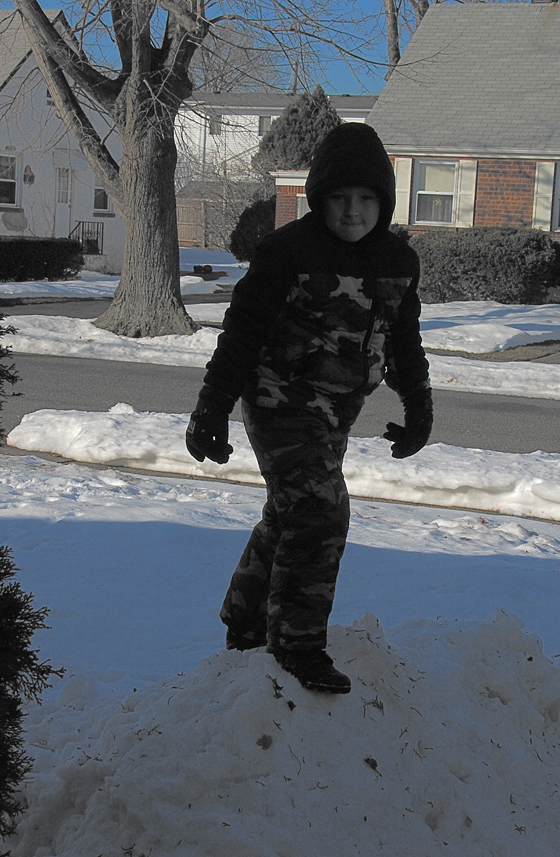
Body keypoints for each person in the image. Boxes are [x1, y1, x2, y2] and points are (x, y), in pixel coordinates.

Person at [185, 123, 433, 695]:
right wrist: (211, 409)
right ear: (320, 199)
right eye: (340, 199)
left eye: (366, 199)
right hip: (278, 401)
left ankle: (245, 621)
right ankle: (296, 643)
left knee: (290, 510)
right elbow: (241, 335)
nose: (352, 212)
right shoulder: (286, 252)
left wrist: (418, 406)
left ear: (383, 203)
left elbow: (405, 341)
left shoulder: (398, 261)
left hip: (337, 413)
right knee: (321, 511)